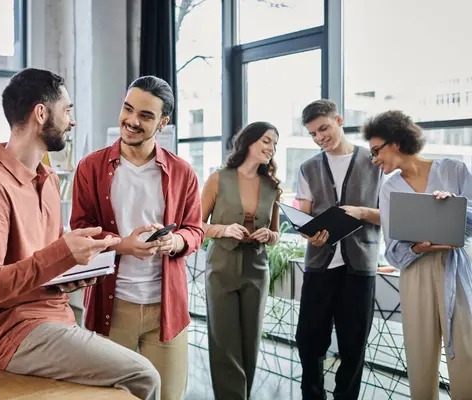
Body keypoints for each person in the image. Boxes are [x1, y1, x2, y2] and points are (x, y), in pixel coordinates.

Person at [0, 68, 161, 400]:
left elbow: (44, 265)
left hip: (56, 317)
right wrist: (62, 255)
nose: (72, 121)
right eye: (67, 110)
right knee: (144, 375)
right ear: (41, 113)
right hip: (15, 332)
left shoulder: (48, 180)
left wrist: (80, 268)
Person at [70, 75, 204, 400]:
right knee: (108, 396)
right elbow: (80, 231)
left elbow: (195, 230)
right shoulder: (90, 168)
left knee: (170, 395)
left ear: (163, 122)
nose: (131, 121)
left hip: (166, 309)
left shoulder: (183, 172)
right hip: (112, 306)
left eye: (145, 115)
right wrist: (122, 244)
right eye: (128, 109)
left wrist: (177, 242)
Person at [362, 110, 472, 399]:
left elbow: (471, 225)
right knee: (419, 354)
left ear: (396, 142)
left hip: (455, 269)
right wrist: (416, 248)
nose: (374, 159)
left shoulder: (454, 170)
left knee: (466, 352)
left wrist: (455, 208)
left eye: (376, 151)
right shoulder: (389, 189)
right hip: (415, 272)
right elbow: (392, 252)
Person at [295, 99, 382, 400]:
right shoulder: (307, 168)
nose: (320, 138)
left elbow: (389, 214)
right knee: (308, 340)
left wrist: (361, 212)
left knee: (353, 344)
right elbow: (303, 216)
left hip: (360, 266)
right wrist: (309, 234)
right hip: (320, 266)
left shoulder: (374, 163)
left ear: (339, 120)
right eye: (313, 134)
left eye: (324, 129)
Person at [201, 121, 281, 399]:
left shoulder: (272, 186)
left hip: (257, 269)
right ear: (249, 141)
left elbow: (276, 234)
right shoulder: (218, 179)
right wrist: (222, 229)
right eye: (267, 141)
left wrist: (268, 235)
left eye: (274, 144)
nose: (271, 148)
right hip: (222, 266)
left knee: (250, 342)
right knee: (224, 342)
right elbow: (195, 225)